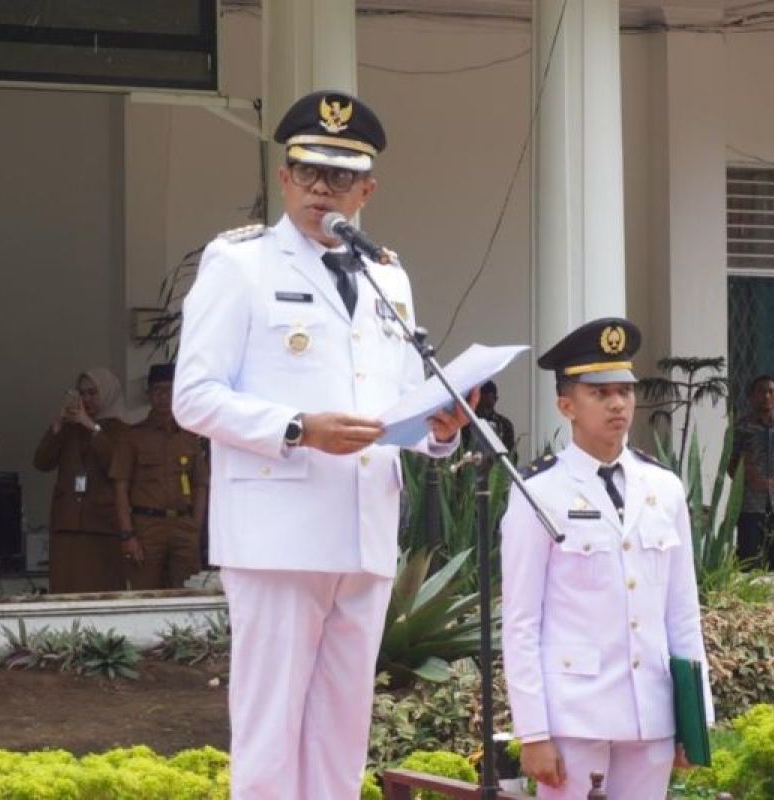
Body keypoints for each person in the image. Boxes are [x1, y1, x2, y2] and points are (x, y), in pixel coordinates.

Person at [172, 90, 471, 799]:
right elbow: (194, 396)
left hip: (364, 530)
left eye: (339, 178)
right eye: (307, 173)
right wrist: (300, 428)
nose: (320, 191)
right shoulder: (240, 264)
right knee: (271, 731)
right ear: (284, 178)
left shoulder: (386, 276)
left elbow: (393, 401)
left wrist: (437, 430)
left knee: (342, 732)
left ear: (367, 189)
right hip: (278, 534)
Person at [501, 318, 713, 800]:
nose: (617, 403)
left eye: (624, 390)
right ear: (566, 405)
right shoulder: (538, 493)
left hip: (652, 711)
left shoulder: (664, 487)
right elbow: (520, 622)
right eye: (599, 393)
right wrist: (533, 732)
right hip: (575, 715)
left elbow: (682, 610)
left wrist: (694, 718)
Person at [112, 363, 209, 590]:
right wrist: (128, 535)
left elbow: (201, 485)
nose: (164, 397)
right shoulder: (133, 437)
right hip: (146, 526)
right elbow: (120, 487)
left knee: (187, 594)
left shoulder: (189, 437)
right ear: (149, 395)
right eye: (157, 391)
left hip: (183, 526)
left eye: (170, 391)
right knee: (144, 593)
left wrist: (195, 527)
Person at [33, 367, 130, 594]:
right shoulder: (69, 428)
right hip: (68, 523)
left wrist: (92, 427)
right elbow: (41, 462)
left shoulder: (120, 430)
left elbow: (115, 465)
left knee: (102, 588)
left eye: (93, 393)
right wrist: (57, 426)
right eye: (82, 393)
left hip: (102, 525)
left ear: (106, 393)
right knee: (67, 588)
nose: (86, 399)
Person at [727, 374, 774, 570]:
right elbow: (731, 462)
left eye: (771, 392)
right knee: (748, 557)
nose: (767, 396)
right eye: (761, 391)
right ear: (752, 396)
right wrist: (752, 479)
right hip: (750, 503)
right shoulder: (741, 427)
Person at [462, 379, 517, 457]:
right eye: (479, 406)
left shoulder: (505, 425)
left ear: (495, 400)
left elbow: (511, 456)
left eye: (488, 406)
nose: (484, 411)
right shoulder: (464, 423)